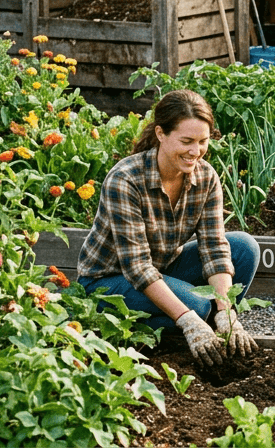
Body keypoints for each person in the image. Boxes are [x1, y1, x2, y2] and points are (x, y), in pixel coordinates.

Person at [77, 90, 260, 366]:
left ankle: (208, 326)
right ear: (161, 134)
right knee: (197, 306)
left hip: (163, 267)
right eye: (186, 141)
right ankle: (158, 329)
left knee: (244, 249)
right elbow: (138, 267)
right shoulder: (125, 180)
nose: (195, 152)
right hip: (108, 280)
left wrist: (226, 310)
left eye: (202, 141)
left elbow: (214, 248)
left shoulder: (206, 177)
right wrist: (188, 318)